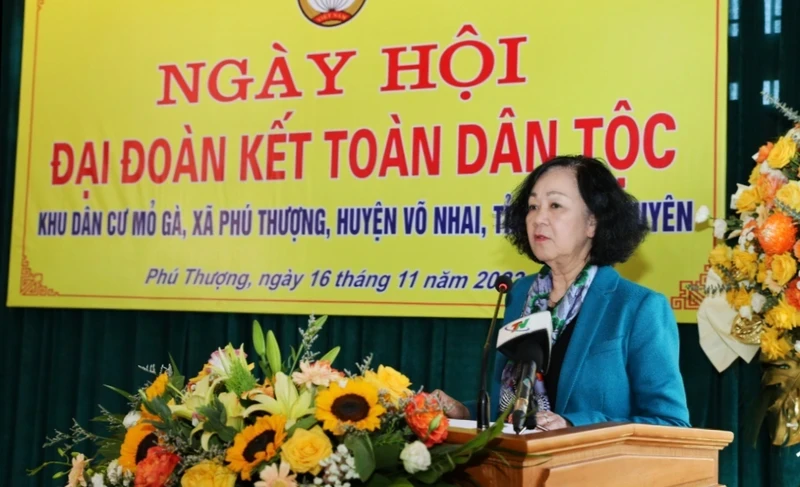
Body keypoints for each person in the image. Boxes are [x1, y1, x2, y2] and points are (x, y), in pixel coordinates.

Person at [433, 155, 690, 431]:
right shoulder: (521, 294)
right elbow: (511, 412)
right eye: (533, 206)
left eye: (555, 205)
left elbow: (670, 423)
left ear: (592, 222)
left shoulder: (638, 308)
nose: (538, 218)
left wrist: (571, 424)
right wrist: (464, 413)